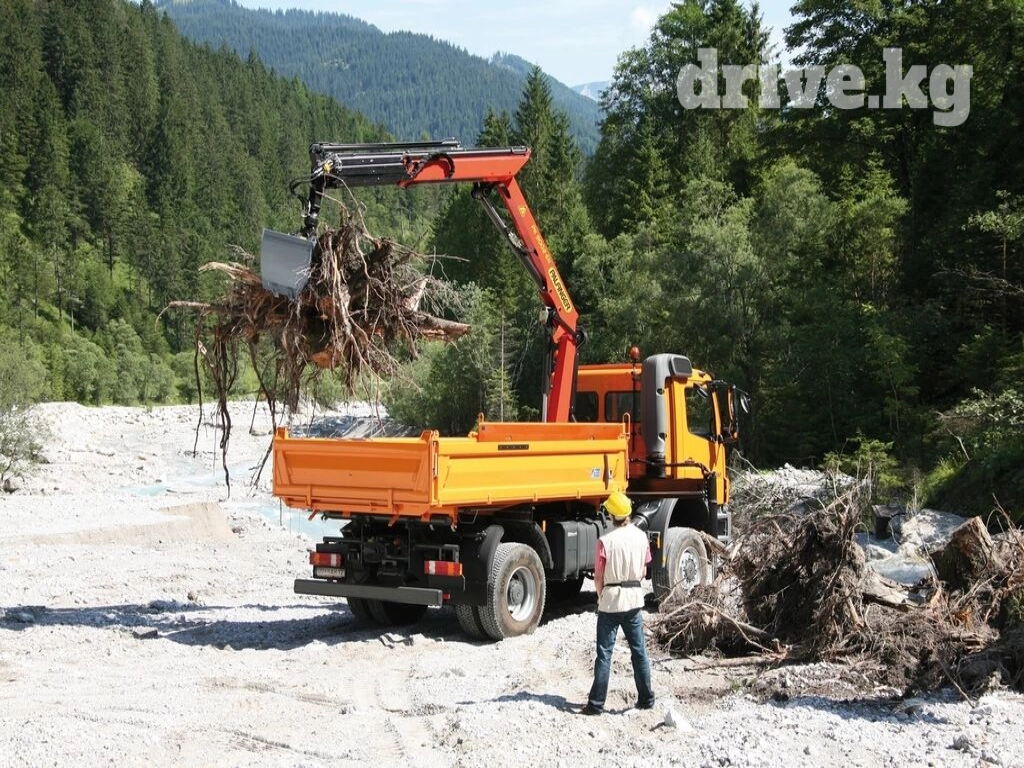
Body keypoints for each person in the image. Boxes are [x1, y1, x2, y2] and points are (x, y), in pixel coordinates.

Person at [581, 491, 655, 715]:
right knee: (639, 651)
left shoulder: (605, 541)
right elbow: (643, 571)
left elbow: (598, 578)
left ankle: (596, 704)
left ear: (611, 515)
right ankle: (646, 699)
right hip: (634, 599)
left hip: (611, 601)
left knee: (604, 654)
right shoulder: (641, 537)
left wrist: (601, 596)